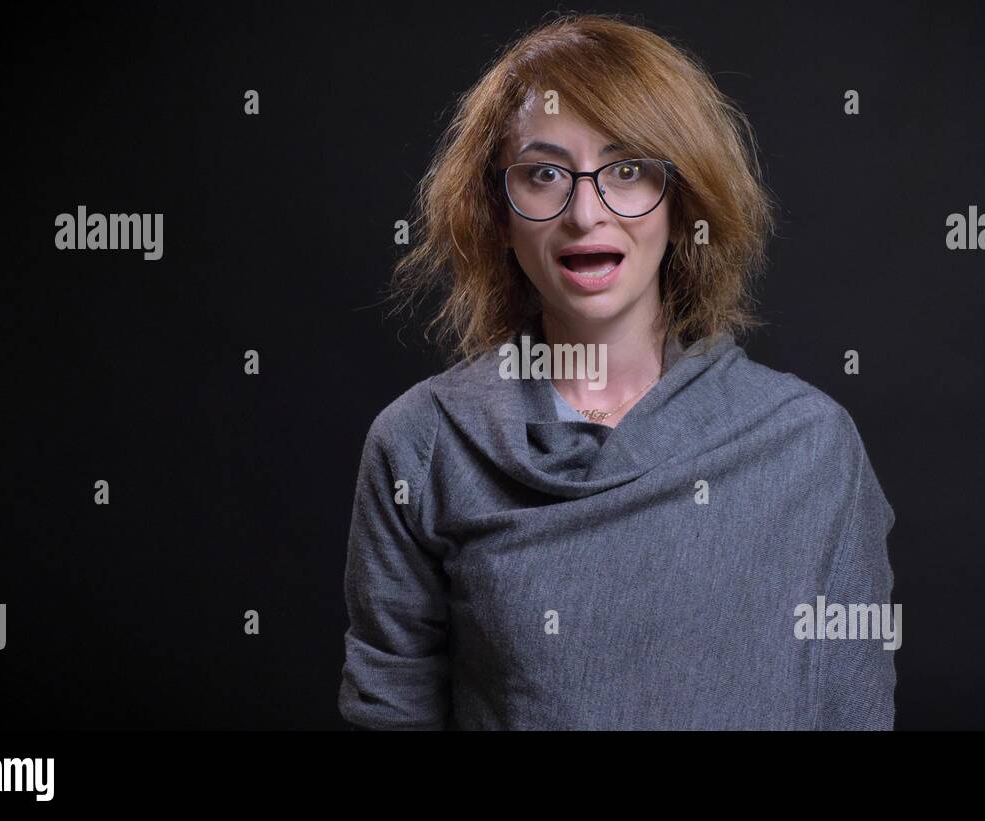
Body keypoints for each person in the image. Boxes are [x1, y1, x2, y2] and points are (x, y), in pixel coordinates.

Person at [338, 12, 897, 730]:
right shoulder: (419, 444)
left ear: (681, 199)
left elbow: (855, 710)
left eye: (627, 169)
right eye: (543, 174)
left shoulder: (812, 445)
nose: (585, 211)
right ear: (498, 214)